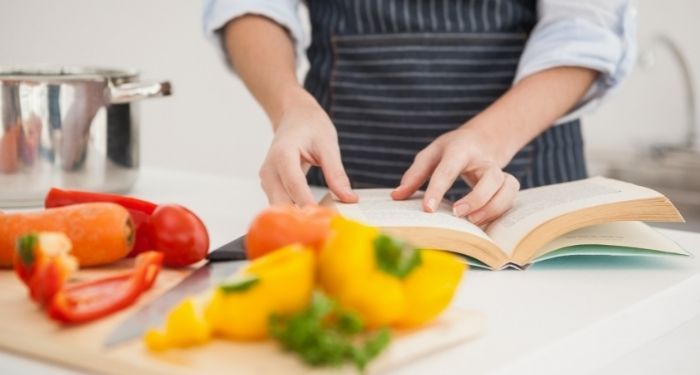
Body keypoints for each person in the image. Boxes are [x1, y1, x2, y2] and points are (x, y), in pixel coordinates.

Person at [203, 0, 635, 225]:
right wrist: (289, 107)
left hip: (526, 175)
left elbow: (584, 29)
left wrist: (490, 138)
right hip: (343, 187)